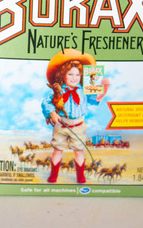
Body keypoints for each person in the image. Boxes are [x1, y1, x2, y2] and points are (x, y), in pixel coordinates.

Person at [41, 49, 109, 184]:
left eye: (77, 75)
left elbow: (94, 100)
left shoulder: (84, 90)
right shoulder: (57, 90)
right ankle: (53, 176)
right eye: (70, 74)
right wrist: (52, 113)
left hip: (78, 126)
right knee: (58, 149)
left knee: (79, 150)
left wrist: (104, 88)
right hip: (61, 124)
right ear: (62, 75)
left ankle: (80, 176)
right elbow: (45, 102)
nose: (74, 77)